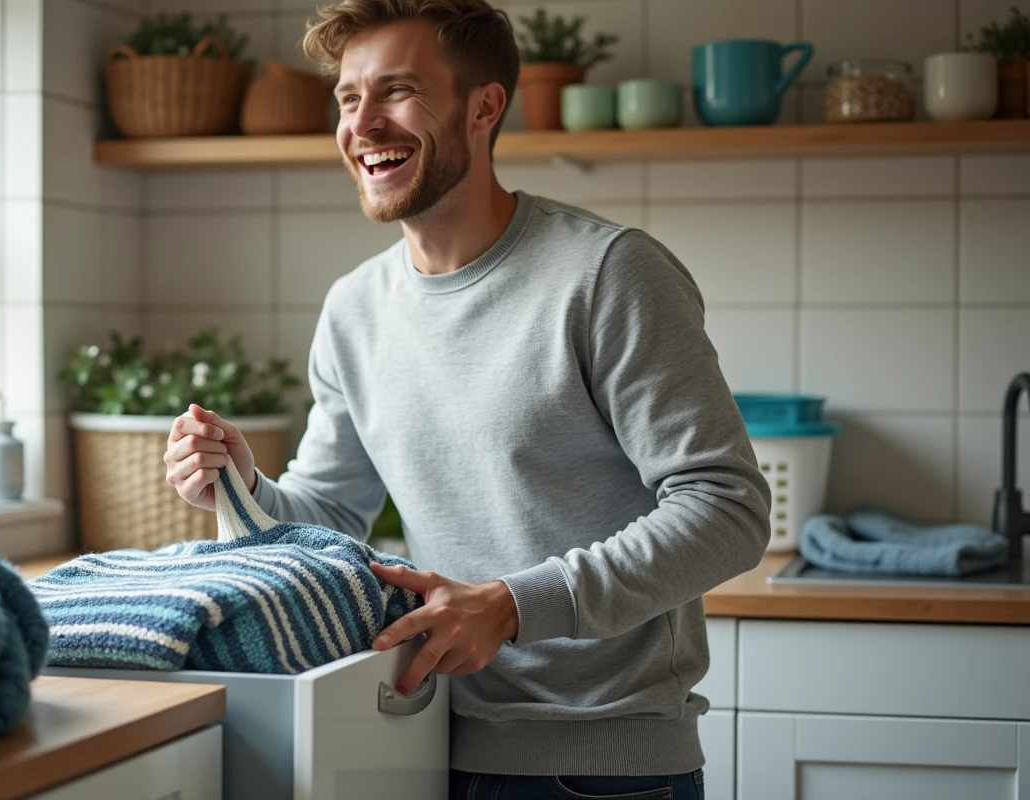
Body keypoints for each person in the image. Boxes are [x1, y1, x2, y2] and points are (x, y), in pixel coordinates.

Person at [163, 1, 771, 797]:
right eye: (349, 98)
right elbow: (333, 515)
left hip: (599, 767)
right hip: (416, 740)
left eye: (398, 91)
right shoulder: (355, 307)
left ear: (485, 106)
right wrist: (241, 491)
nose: (364, 123)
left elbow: (728, 508)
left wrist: (513, 607)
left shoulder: (609, 275)